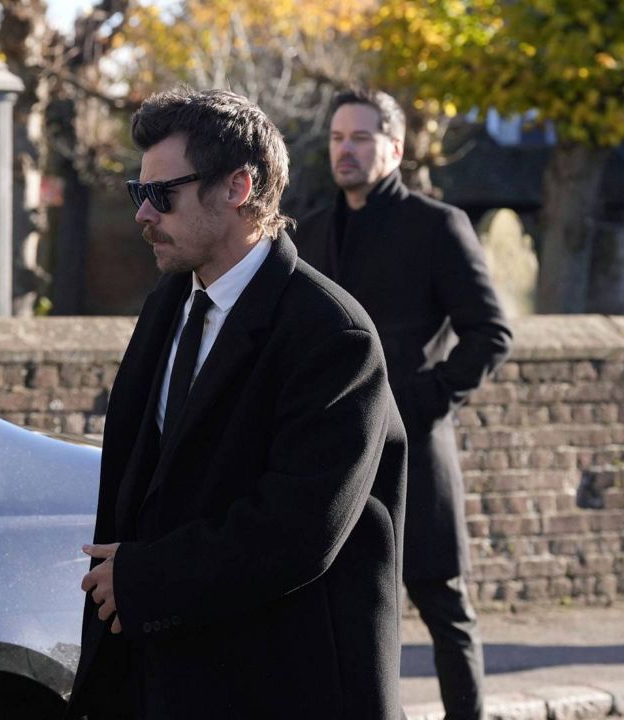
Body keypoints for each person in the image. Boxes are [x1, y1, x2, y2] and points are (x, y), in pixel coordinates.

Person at [66, 88, 407, 719]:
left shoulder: (332, 333)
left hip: (278, 684)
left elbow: (302, 528)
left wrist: (147, 578)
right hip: (163, 673)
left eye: (161, 194)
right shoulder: (168, 303)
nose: (143, 215)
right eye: (137, 193)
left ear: (237, 187)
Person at [293, 87, 513, 720]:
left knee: (444, 606)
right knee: (349, 610)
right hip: (338, 454)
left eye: (361, 138)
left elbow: (490, 333)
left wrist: (424, 397)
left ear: (394, 146)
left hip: (416, 445)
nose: (346, 150)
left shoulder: (437, 225)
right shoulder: (310, 229)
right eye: (338, 138)